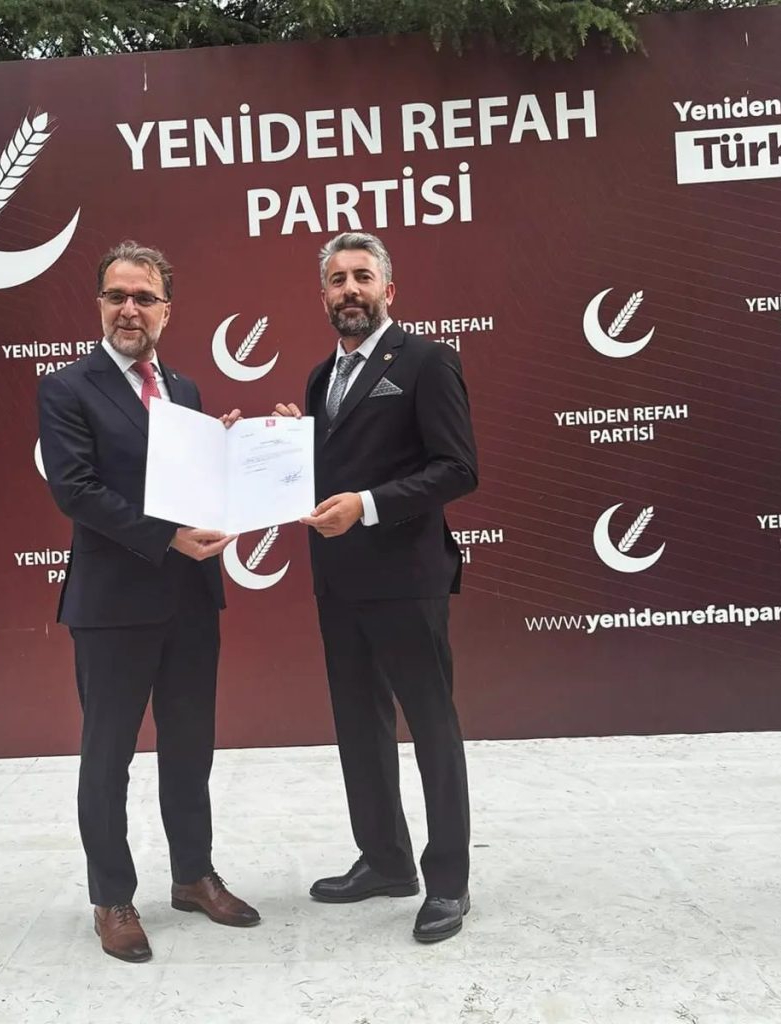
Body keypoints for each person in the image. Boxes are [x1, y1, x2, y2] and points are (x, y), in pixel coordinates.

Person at [37, 240, 259, 963]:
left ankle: (193, 876)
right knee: (108, 758)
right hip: (113, 604)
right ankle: (112, 898)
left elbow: (190, 483)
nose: (128, 309)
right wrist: (167, 539)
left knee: (190, 748)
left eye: (143, 297)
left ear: (167, 309)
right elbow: (76, 490)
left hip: (190, 598)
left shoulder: (186, 391)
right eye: (116, 296)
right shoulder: (67, 387)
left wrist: (237, 452)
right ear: (99, 304)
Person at [274, 231, 478, 943]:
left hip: (407, 579)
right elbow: (331, 464)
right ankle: (386, 860)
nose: (350, 289)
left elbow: (457, 468)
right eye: (337, 280)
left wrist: (366, 505)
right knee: (359, 727)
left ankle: (448, 881)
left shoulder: (427, 360)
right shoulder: (317, 378)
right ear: (324, 296)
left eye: (362, 276)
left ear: (388, 290)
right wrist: (285, 445)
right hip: (338, 582)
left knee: (431, 726)